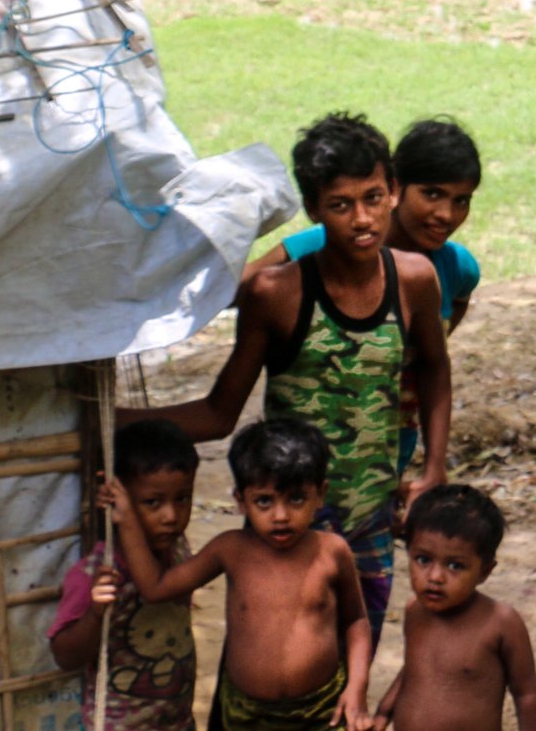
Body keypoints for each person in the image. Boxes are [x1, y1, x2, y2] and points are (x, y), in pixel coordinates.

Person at [128, 113, 452, 642]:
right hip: (286, 526)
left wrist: (434, 466)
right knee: (279, 660)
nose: (363, 219)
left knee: (354, 661)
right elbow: (218, 413)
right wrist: (112, 422)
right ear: (313, 209)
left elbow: (436, 370)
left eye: (373, 198)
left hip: (370, 522)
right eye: (341, 205)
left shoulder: (414, 280)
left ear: (394, 191)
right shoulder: (278, 294)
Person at [105, 419, 374, 731]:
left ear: (320, 495)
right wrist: (126, 520)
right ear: (240, 500)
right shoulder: (230, 550)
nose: (281, 516)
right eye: (264, 501)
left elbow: (356, 621)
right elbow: (156, 588)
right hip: (247, 714)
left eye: (296, 499)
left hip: (321, 710)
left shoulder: (332, 552)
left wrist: (357, 688)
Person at [252, 118, 487, 474]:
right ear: (398, 187)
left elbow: (437, 353)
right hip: (307, 466)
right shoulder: (328, 245)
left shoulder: (456, 268)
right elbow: (242, 287)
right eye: (432, 194)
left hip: (389, 454)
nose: (446, 214)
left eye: (461, 201)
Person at [50, 421, 202, 731]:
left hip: (178, 719)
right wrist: (95, 614)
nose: (171, 517)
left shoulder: (178, 550)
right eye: (152, 503)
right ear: (116, 498)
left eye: (182, 499)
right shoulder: (96, 573)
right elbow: (65, 655)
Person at [377, 485, 536, 731]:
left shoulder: (501, 623)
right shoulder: (415, 611)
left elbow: (526, 694)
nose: (435, 576)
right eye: (423, 559)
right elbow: (413, 671)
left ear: (484, 571)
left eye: (455, 566)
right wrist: (383, 713)